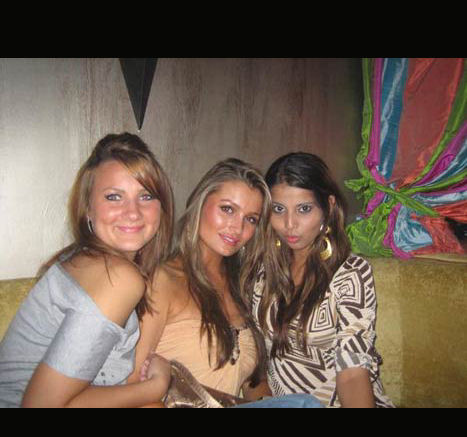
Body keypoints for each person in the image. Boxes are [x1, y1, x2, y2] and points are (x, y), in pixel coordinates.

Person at [128, 158, 324, 408]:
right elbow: (131, 384)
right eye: (228, 209)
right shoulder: (163, 281)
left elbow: (253, 384)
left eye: (251, 219)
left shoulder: (243, 285)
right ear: (200, 202)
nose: (237, 227)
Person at [0, 132, 174, 408]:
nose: (133, 212)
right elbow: (41, 406)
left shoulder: (88, 261)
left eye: (146, 196)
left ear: (161, 208)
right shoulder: (118, 277)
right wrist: (155, 387)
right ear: (88, 210)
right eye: (114, 197)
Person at [253, 152, 395, 408]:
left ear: (328, 207)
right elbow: (254, 353)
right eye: (278, 209)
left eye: (304, 209)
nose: (289, 224)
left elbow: (352, 373)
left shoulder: (350, 273)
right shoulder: (262, 270)